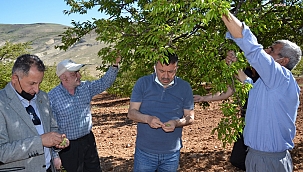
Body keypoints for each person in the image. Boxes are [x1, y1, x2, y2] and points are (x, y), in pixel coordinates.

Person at [222, 11, 302, 171]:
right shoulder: (269, 84)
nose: (266, 51)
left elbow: (253, 49)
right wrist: (234, 65)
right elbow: (247, 83)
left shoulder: (281, 77)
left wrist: (221, 10)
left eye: (272, 50)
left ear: (284, 61)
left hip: (268, 161)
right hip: (255, 157)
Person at [48, 57, 120, 172]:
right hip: (67, 147)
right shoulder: (52, 98)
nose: (79, 75)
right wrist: (55, 156)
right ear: (64, 78)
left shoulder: (85, 87)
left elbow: (104, 82)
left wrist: (115, 64)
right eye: (75, 73)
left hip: (88, 142)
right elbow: (51, 128)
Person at [0, 54, 69, 172]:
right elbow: (2, 152)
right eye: (32, 84)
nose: (37, 90)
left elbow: (52, 127)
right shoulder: (2, 103)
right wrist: (40, 141)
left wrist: (57, 141)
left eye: (39, 83)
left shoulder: (43, 97)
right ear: (15, 79)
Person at [127, 52, 194, 172]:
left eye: (171, 72)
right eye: (162, 71)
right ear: (154, 68)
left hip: (172, 154)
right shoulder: (143, 83)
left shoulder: (185, 87)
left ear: (176, 69)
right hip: (144, 152)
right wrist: (148, 119)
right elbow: (132, 112)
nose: (166, 76)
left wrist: (176, 122)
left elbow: (190, 117)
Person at [194, 51, 260, 171]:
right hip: (247, 122)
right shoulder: (245, 72)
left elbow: (251, 86)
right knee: (237, 159)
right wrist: (203, 98)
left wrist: (234, 67)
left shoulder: (268, 77)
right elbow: (227, 92)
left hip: (261, 122)